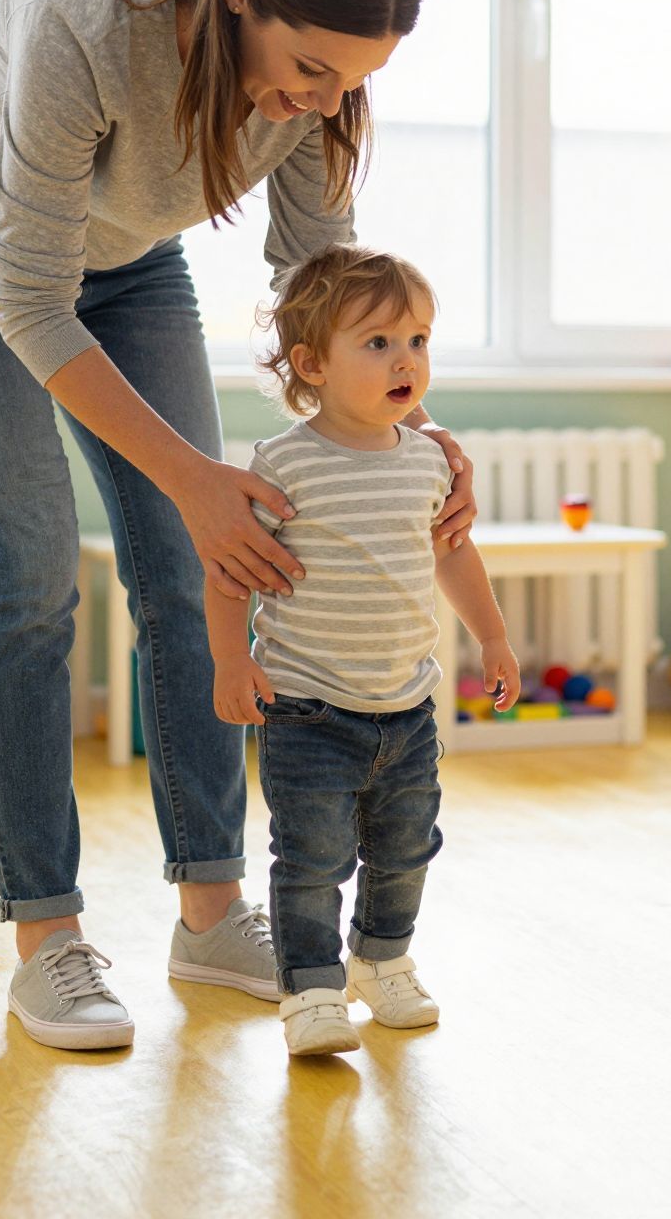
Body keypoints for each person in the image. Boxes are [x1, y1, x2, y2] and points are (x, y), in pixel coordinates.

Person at [0, 0, 476, 1051]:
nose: (321, 102)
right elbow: (30, 299)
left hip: (128, 262)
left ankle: (209, 910)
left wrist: (400, 423)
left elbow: (320, 288)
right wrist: (196, 479)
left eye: (352, 82)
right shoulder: (89, 19)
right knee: (29, 573)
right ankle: (47, 937)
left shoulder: (318, 91)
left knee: (202, 567)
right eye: (310, 70)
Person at [209, 245, 518, 1055]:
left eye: (418, 340)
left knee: (406, 849)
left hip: (407, 708)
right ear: (313, 364)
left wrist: (492, 636)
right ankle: (311, 989)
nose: (406, 360)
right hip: (308, 709)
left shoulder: (429, 462)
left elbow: (452, 553)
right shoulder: (283, 464)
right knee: (312, 858)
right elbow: (231, 572)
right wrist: (232, 661)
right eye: (378, 343)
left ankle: (381, 962)